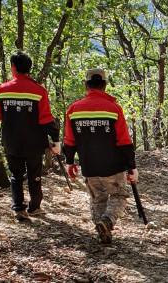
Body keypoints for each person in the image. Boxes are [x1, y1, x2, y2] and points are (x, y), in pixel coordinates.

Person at [63, 69, 137, 244]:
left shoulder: (74, 109)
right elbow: (124, 140)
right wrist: (131, 166)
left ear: (86, 85)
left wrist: (69, 162)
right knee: (118, 196)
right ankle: (107, 221)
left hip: (89, 165)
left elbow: (69, 140)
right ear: (105, 85)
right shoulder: (114, 108)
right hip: (114, 166)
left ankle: (101, 231)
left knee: (97, 199)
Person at [0, 51, 60, 221]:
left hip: (11, 141)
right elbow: (46, 118)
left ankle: (18, 208)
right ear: (29, 68)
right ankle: (35, 207)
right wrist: (55, 139)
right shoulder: (39, 91)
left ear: (13, 67)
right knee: (34, 174)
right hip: (34, 142)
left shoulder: (1, 90)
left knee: (16, 175)